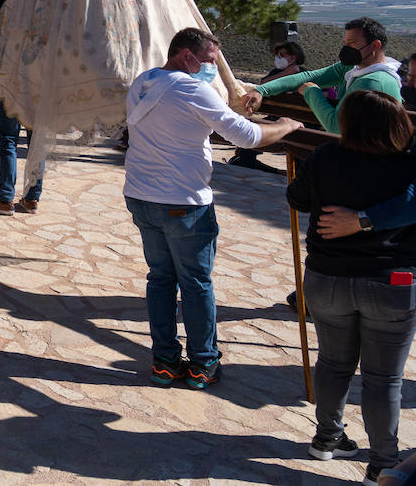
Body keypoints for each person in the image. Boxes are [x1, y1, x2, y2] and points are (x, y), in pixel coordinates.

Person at [124, 27, 300, 388]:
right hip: (184, 201)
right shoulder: (191, 88)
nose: (211, 68)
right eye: (208, 60)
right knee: (196, 283)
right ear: (186, 56)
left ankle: (164, 362)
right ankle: (203, 363)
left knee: (159, 280)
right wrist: (285, 125)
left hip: (142, 195)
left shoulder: (144, 82)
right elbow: (247, 137)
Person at [286, 90, 416, 485]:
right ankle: (382, 462)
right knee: (383, 379)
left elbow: (297, 198)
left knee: (333, 363)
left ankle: (327, 438)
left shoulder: (325, 157)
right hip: (392, 282)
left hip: (327, 278)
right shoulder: (408, 165)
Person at [243, 17, 401, 133]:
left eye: (353, 44)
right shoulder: (353, 69)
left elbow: (336, 128)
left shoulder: (372, 82)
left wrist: (311, 92)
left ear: (375, 45)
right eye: (345, 44)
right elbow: (308, 77)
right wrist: (261, 90)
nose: (346, 49)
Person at [227, 40, 306, 173]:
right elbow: (263, 84)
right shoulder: (276, 72)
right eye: (277, 55)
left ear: (293, 57)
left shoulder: (305, 74)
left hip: (299, 121)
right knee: (252, 125)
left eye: (281, 55)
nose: (278, 58)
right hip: (275, 118)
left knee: (300, 137)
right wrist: (286, 73)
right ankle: (245, 160)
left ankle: (298, 170)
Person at [0, 103, 41, 215]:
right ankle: (32, 199)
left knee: (8, 140)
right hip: (40, 92)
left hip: (13, 90)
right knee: (37, 143)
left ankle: (6, 199)